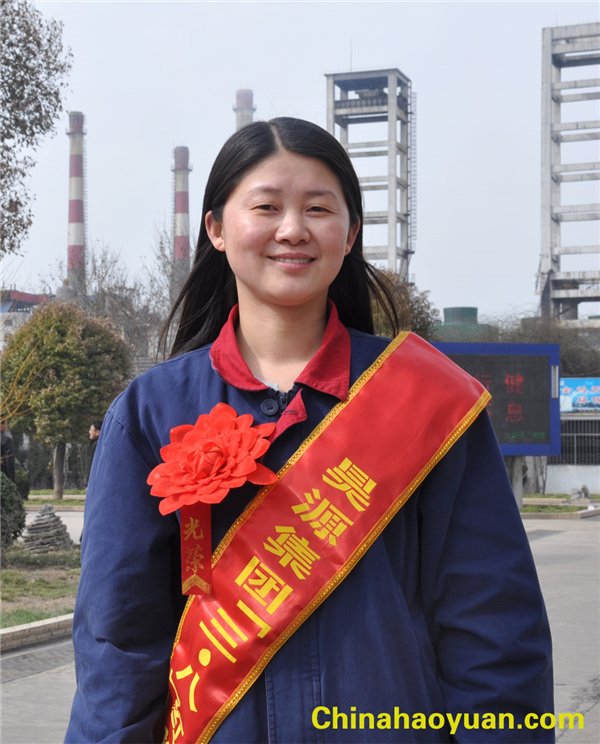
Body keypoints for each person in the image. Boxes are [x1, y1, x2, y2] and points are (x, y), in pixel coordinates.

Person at [66, 117, 553, 744]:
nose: (293, 229)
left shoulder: (427, 399)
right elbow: (119, 642)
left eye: (318, 209)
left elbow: (494, 628)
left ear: (349, 234)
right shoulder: (149, 413)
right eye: (266, 207)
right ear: (216, 228)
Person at [86, 419, 103, 484]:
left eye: (91, 430)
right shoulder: (102, 444)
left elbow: (92, 464)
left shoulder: (96, 445)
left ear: (97, 432)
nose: (89, 432)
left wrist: (89, 482)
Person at [1, 418, 16, 484]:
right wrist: (11, 480)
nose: (6, 427)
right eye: (5, 424)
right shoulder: (6, 440)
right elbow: (9, 461)